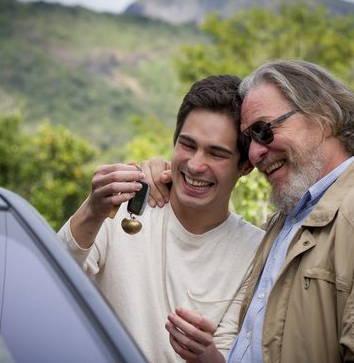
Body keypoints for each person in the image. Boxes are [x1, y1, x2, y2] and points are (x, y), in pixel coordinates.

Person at [148, 59, 354, 362]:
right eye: (249, 138)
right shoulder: (290, 221)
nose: (254, 152)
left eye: (263, 131)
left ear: (323, 118)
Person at [57, 75, 264, 363]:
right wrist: (92, 210)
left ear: (245, 166)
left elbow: (233, 354)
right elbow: (51, 282)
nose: (194, 165)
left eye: (216, 154)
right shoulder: (122, 204)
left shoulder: (257, 251)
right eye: (187, 145)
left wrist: (204, 355)